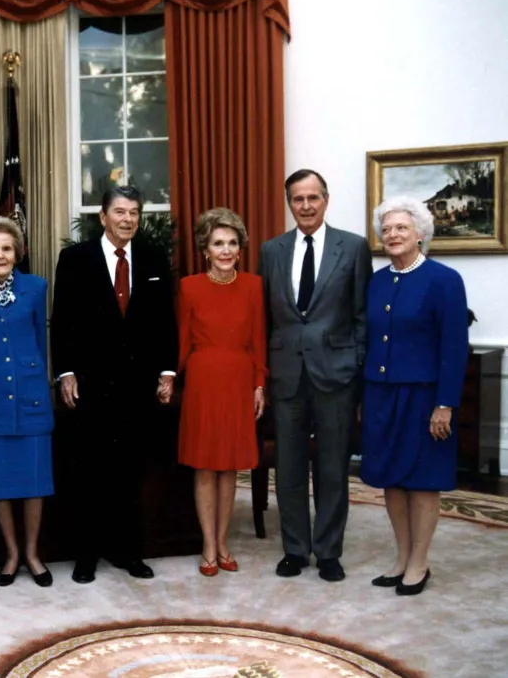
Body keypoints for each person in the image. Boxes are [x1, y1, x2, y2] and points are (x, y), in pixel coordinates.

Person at [50, 185, 178, 584]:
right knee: (89, 472)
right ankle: (86, 556)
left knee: (130, 472)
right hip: (91, 384)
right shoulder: (75, 259)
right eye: (120, 212)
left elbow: (165, 320)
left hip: (137, 385)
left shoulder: (153, 257)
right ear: (103, 216)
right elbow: (62, 320)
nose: (128, 219)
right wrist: (66, 372)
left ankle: (128, 552)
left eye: (134, 212)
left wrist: (167, 371)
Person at [259, 169, 372, 582]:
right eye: (297, 199)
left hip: (336, 375)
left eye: (313, 198)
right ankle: (294, 549)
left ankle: (328, 552)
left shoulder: (353, 247)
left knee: (332, 467)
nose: (305, 206)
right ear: (289, 202)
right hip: (287, 374)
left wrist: (356, 367)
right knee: (288, 468)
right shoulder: (272, 250)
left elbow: (362, 315)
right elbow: (265, 317)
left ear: (326, 199)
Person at [361, 197, 468, 596]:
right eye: (387, 229)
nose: (392, 234)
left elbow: (454, 347)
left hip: (424, 399)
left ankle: (419, 563)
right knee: (391, 478)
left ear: (420, 233)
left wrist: (445, 404)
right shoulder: (377, 281)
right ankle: (402, 557)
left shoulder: (444, 280)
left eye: (401, 227)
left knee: (423, 481)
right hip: (381, 394)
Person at [176, 208, 266, 576]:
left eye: (232, 243)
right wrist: (169, 377)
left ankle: (224, 541)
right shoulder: (189, 286)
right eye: (218, 243)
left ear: (240, 249)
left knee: (229, 466)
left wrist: (259, 384)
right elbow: (182, 341)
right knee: (204, 465)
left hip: (238, 382)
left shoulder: (254, 286)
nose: (225, 250)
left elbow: (258, 341)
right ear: (205, 250)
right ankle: (208, 545)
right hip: (202, 383)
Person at [0, 217, 54, 587]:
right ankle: (12, 554)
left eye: (6, 248)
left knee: (34, 482)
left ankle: (32, 554)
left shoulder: (36, 287)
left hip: (30, 397)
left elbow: (41, 342)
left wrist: (42, 385)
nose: (0, 255)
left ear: (17, 252)